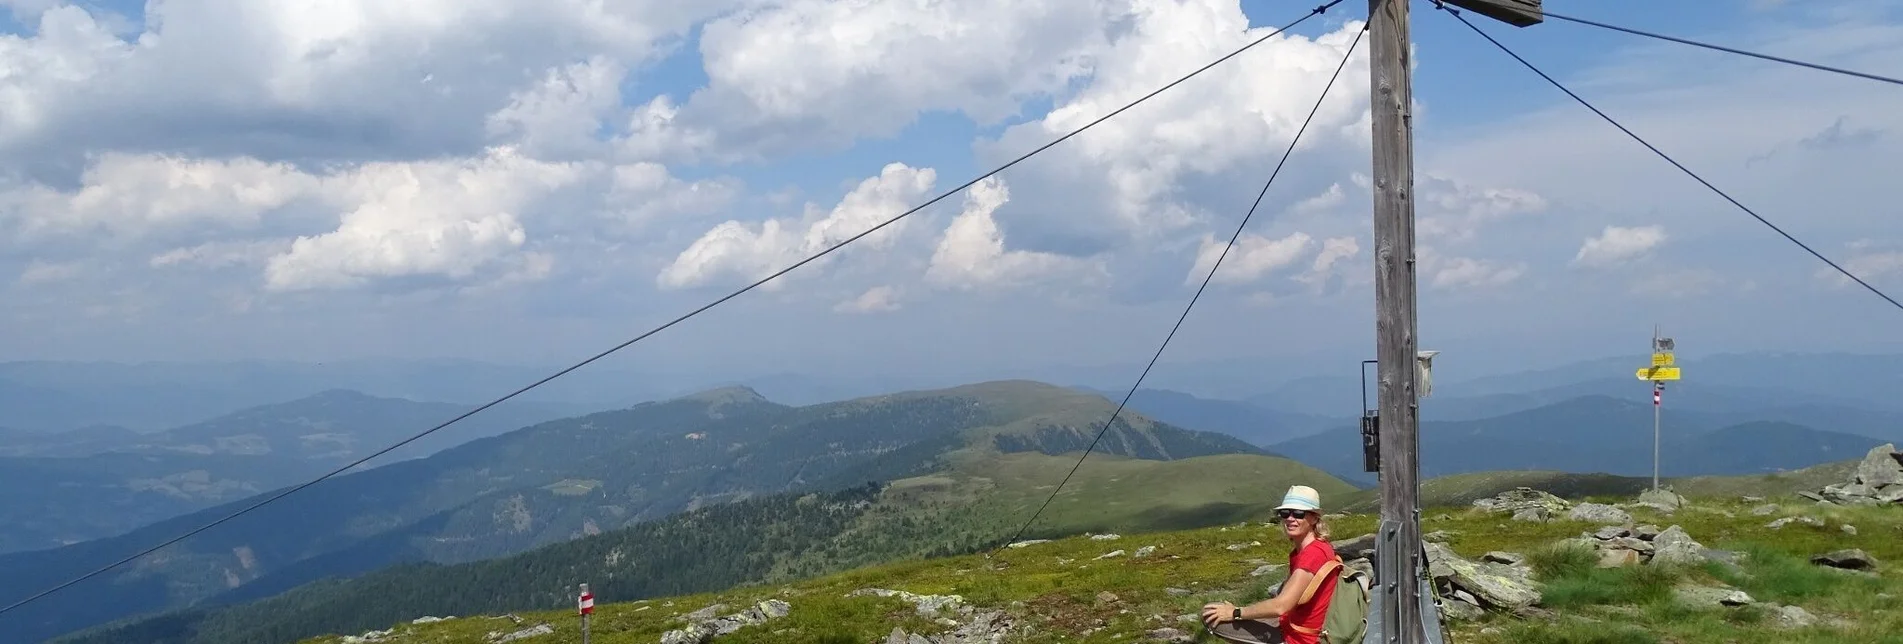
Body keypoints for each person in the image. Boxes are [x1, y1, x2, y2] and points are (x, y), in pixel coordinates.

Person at [1200, 485, 1339, 644]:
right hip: (1290, 623)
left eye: (1299, 513)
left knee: (1210, 614)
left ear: (1314, 518)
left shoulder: (1312, 554)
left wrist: (1236, 612)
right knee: (1215, 610)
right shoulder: (1316, 548)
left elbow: (1281, 606)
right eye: (1285, 513)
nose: (1290, 518)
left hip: (1297, 637)